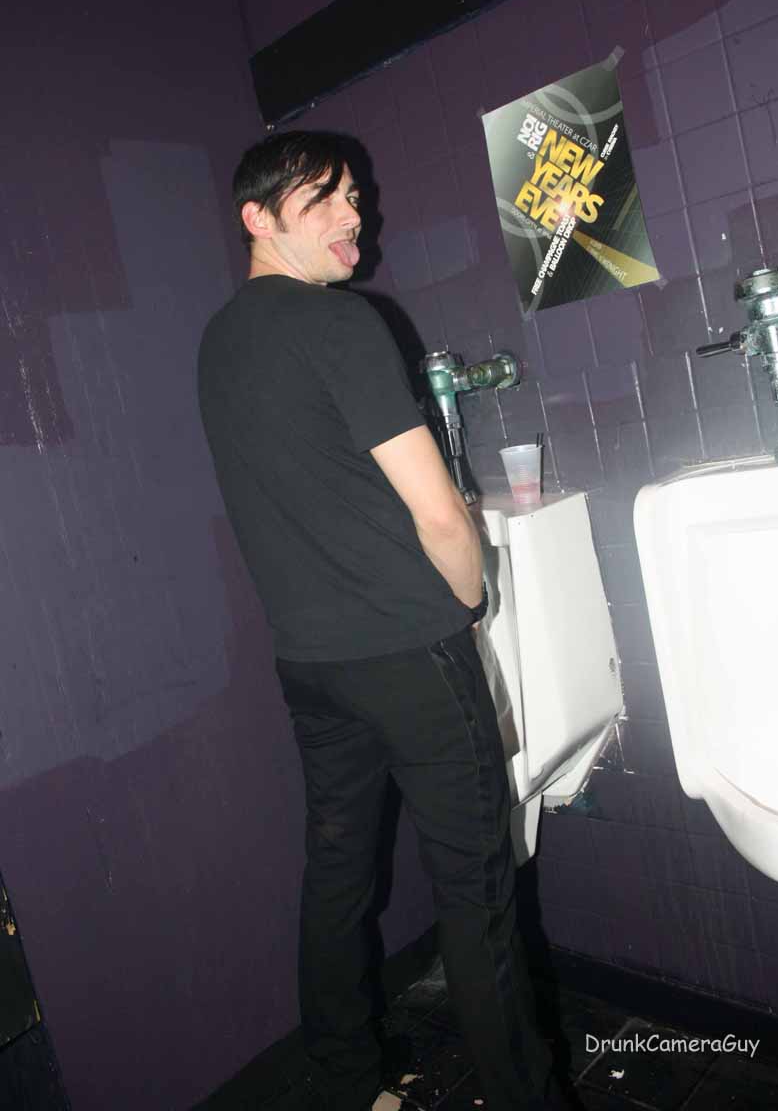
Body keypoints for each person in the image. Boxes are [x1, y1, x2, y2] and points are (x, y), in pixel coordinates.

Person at [197, 131, 570, 1111]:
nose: (351, 215)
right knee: (476, 895)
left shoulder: (220, 341)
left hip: (312, 668)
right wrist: (471, 597)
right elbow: (440, 514)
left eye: (353, 196)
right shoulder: (341, 323)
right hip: (408, 653)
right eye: (320, 198)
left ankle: (347, 1084)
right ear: (257, 218)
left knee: (336, 877)